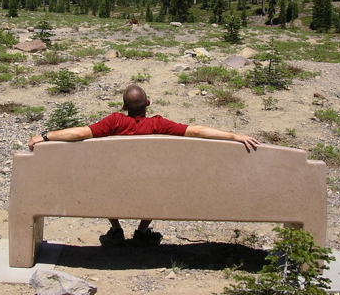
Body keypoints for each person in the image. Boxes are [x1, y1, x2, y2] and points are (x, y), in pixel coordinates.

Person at [28, 84, 260, 246]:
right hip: (151, 187)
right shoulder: (159, 124)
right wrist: (233, 135)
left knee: (106, 180)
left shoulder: (114, 121)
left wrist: (46, 136)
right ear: (148, 103)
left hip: (114, 185)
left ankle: (116, 231)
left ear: (123, 106)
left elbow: (79, 133)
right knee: (158, 183)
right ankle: (141, 232)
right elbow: (197, 130)